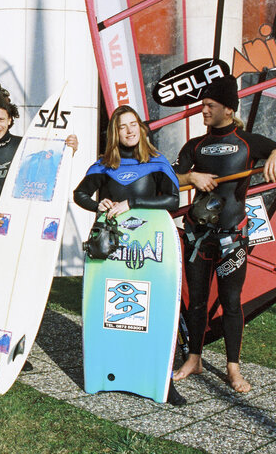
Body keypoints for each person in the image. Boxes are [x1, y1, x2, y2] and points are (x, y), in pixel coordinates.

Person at [171, 75, 276, 393]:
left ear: (228, 110)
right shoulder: (193, 146)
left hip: (233, 237)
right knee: (196, 302)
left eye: (209, 106)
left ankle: (233, 369)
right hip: (198, 235)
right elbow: (168, 177)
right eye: (203, 106)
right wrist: (191, 177)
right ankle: (194, 359)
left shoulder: (248, 142)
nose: (203, 112)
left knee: (231, 302)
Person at [0, 83, 78, 381]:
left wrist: (69, 148)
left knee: (21, 288)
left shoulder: (26, 145)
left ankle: (15, 346)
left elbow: (51, 165)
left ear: (11, 119)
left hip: (23, 235)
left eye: (1, 119)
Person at [74, 105, 186, 405]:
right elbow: (80, 194)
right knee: (115, 312)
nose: (129, 130)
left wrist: (132, 201)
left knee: (153, 311)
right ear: (115, 132)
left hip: (149, 249)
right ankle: (107, 370)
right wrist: (98, 205)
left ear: (141, 127)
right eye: (122, 126)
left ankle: (162, 379)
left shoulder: (156, 161)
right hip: (113, 252)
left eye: (133, 124)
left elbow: (173, 200)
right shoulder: (105, 165)